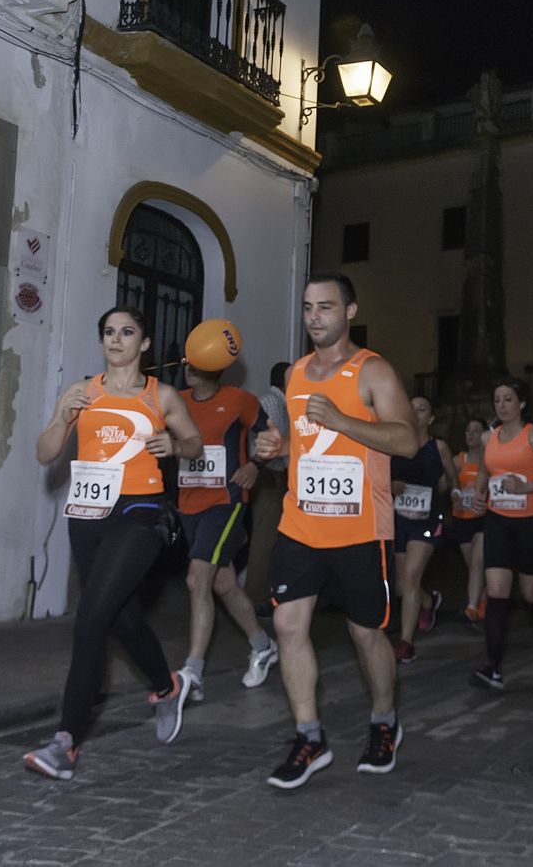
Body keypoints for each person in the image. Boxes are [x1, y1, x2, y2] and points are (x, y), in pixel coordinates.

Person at [252, 272, 419, 789]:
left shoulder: (373, 371)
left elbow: (408, 442)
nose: (314, 317)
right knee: (287, 627)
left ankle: (384, 722)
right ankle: (309, 737)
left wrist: (345, 421)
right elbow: (304, 446)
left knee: (366, 633)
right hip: (301, 523)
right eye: (307, 308)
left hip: (361, 528)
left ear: (350, 312)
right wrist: (276, 451)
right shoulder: (297, 373)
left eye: (326, 307)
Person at [23, 306, 204, 781]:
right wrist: (62, 418)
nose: (116, 340)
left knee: (91, 618)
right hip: (87, 515)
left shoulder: (161, 395)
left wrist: (175, 447)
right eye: (109, 332)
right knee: (121, 618)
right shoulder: (83, 392)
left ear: (144, 343)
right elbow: (45, 453)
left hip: (140, 513)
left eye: (127, 333)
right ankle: (168, 687)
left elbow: (195, 444)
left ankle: (66, 742)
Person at [174, 353, 279, 701]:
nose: (188, 368)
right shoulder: (178, 402)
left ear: (216, 366)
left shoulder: (239, 400)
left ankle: (193, 673)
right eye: (186, 362)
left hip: (226, 502)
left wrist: (257, 465)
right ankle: (263, 646)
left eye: (197, 362)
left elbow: (272, 436)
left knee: (196, 579)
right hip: (189, 504)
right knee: (225, 583)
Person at [469, 377, 533, 690]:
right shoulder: (489, 438)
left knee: (530, 593)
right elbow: (486, 471)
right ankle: (493, 666)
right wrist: (478, 492)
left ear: (522, 403)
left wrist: (527, 487)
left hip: (532, 521)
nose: (502, 405)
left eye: (508, 399)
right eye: (497, 400)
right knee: (497, 591)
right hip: (498, 519)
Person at [391, 397, 455, 663]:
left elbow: (452, 479)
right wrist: (390, 485)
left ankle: (406, 642)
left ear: (430, 418)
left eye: (422, 409)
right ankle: (428, 603)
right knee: (402, 586)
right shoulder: (393, 445)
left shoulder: (438, 447)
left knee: (411, 575)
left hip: (427, 519)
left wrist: (446, 489)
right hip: (398, 519)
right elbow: (377, 478)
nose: (415, 413)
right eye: (411, 408)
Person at [245, 361, 291, 610]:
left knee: (274, 538)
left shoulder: (284, 403)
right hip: (267, 475)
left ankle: (265, 591)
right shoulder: (271, 402)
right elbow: (268, 446)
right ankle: (255, 597)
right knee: (264, 538)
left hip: (276, 475)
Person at [450, 417, 489, 628]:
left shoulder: (490, 460)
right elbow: (446, 485)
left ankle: (472, 607)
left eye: (476, 430)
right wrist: (453, 489)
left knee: (477, 561)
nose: (471, 434)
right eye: (468, 431)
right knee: (473, 565)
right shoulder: (458, 461)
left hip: (483, 518)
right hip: (462, 518)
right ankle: (483, 600)